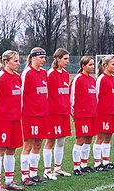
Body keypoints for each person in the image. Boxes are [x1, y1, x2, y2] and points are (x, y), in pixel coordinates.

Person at [0, 50, 25, 191]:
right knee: (0, 150)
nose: (18, 63)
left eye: (18, 60)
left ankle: (9, 181)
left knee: (12, 150)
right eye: (15, 61)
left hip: (15, 119)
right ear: (6, 62)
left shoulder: (17, 77)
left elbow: (19, 99)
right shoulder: (0, 78)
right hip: (2, 120)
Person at [20, 47, 49, 186]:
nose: (44, 60)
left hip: (42, 115)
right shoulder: (27, 73)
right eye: (41, 57)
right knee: (28, 145)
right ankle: (24, 176)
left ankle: (33, 173)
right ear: (33, 57)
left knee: (38, 143)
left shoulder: (44, 73)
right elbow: (21, 95)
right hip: (30, 115)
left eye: (44, 58)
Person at [43, 48, 72, 179]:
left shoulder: (65, 74)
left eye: (68, 59)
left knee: (61, 141)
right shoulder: (50, 74)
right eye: (65, 59)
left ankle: (58, 168)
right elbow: (45, 95)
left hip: (64, 113)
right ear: (58, 59)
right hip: (52, 113)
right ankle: (47, 170)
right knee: (50, 141)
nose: (67, 61)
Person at [70, 56, 97, 175]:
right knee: (80, 139)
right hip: (81, 115)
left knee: (89, 138)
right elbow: (72, 98)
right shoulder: (78, 79)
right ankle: (76, 167)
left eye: (93, 64)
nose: (92, 67)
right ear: (83, 66)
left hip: (92, 115)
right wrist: (74, 114)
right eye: (90, 64)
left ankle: (84, 164)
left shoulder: (92, 80)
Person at [93, 56, 114, 171]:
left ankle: (106, 161)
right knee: (100, 137)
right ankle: (97, 163)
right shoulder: (101, 79)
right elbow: (96, 97)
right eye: (112, 64)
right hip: (103, 113)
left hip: (112, 113)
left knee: (108, 137)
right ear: (105, 66)